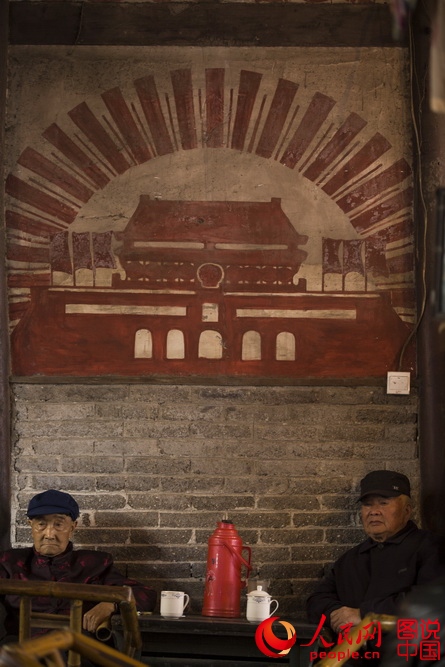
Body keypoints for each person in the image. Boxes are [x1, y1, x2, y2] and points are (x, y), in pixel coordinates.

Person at [306, 470, 445, 664]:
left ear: (407, 510)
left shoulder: (432, 548)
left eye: (383, 503)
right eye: (367, 504)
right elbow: (316, 599)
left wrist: (363, 615)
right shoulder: (351, 559)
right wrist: (339, 618)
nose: (374, 511)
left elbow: (431, 601)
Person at [0, 489, 156, 641]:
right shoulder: (10, 562)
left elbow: (146, 594)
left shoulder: (95, 564)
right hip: (20, 649)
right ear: (31, 526)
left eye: (58, 525)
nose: (49, 534)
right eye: (41, 524)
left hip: (77, 650)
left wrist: (112, 604)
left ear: (72, 527)